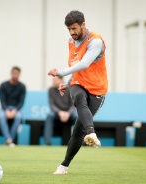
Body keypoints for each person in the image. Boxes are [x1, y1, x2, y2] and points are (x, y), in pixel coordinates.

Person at [48, 10, 108, 174]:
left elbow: (84, 64)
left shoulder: (95, 41)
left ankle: (65, 164)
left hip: (97, 89)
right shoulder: (71, 41)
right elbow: (76, 66)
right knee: (78, 96)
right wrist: (68, 83)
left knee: (77, 132)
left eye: (74, 28)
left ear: (83, 24)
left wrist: (61, 72)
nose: (72, 33)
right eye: (69, 29)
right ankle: (92, 133)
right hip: (78, 83)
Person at [44, 76, 77, 145]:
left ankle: (81, 143)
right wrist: (59, 112)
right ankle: (47, 142)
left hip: (69, 114)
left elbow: (73, 105)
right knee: (49, 116)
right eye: (53, 80)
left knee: (78, 118)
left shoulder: (69, 89)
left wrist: (68, 113)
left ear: (61, 80)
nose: (53, 81)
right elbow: (52, 105)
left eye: (55, 80)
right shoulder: (51, 90)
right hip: (57, 114)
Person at [0, 66, 26, 146]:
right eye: (14, 73)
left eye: (17, 73)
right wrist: (6, 110)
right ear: (11, 73)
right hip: (4, 109)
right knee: (2, 116)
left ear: (19, 74)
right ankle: (9, 139)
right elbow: (2, 100)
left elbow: (21, 102)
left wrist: (15, 110)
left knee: (18, 117)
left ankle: (9, 139)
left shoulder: (22, 87)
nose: (15, 75)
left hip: (16, 109)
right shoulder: (3, 85)